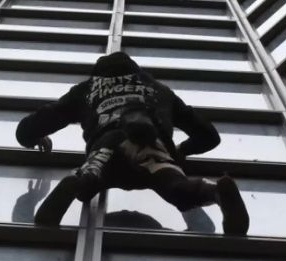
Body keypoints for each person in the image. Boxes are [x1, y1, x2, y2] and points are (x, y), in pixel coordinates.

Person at [15, 51, 250, 236]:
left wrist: (33, 138)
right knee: (177, 189)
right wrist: (181, 150)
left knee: (89, 182)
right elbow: (209, 135)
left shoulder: (86, 91)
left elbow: (32, 125)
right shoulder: (158, 89)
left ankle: (78, 180)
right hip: (151, 146)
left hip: (106, 146)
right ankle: (216, 191)